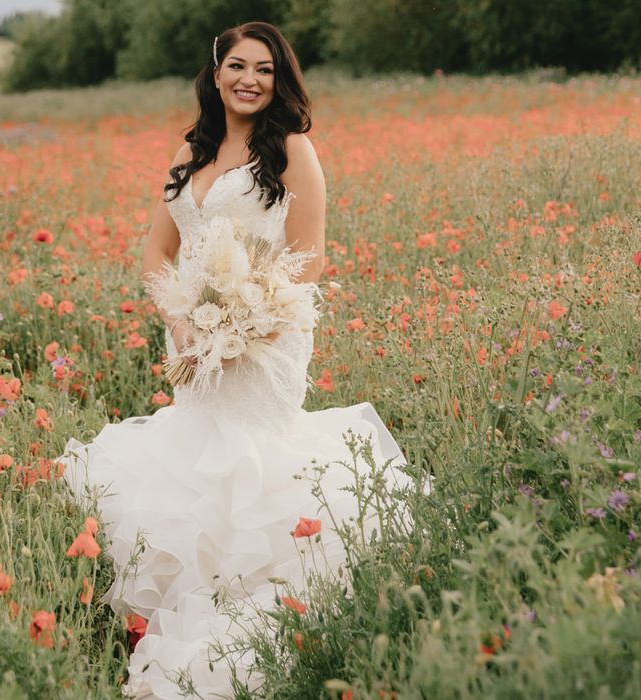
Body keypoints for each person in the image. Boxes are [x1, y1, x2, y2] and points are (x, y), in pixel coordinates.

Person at [60, 21, 423, 700]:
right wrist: (183, 320)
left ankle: (257, 601)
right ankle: (184, 595)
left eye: (264, 68)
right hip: (190, 330)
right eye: (237, 66)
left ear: (278, 77)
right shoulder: (190, 149)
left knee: (251, 454)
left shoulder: (290, 148)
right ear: (216, 72)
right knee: (195, 453)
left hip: (267, 329)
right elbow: (156, 249)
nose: (249, 79)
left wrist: (247, 318)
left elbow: (310, 252)